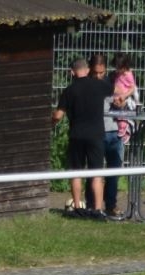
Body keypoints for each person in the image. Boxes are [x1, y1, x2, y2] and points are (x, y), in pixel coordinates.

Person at [52, 58, 111, 220]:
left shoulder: (69, 90)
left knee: (76, 172)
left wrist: (51, 121)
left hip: (77, 136)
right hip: (96, 135)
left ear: (72, 72)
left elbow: (58, 115)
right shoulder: (99, 85)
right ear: (88, 70)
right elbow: (116, 91)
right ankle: (98, 210)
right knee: (97, 173)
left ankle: (77, 207)